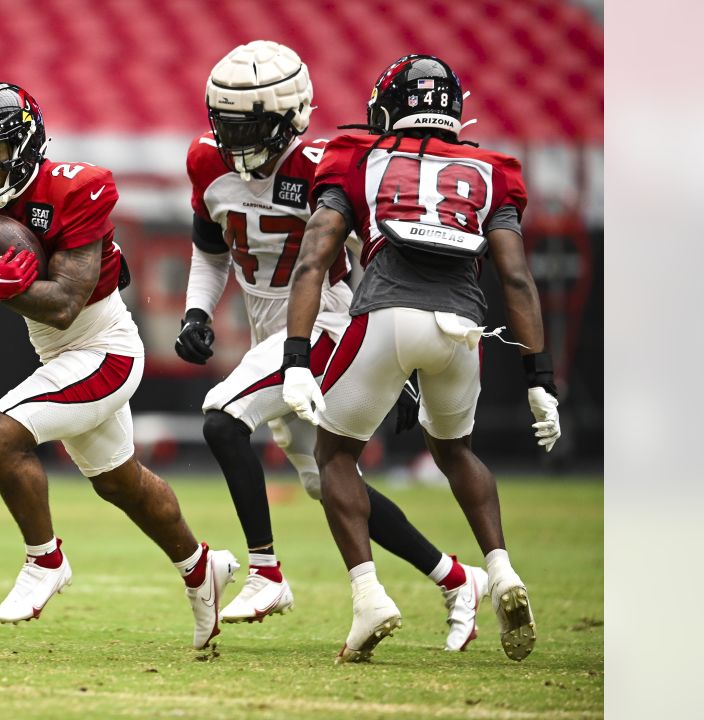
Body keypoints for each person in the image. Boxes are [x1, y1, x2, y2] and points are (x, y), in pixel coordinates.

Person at [178, 40, 490, 652]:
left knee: (222, 419)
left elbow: (374, 261)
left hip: (327, 325)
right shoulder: (205, 162)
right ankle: (458, 579)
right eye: (227, 124)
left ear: (293, 116)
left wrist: (388, 363)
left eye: (253, 126)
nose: (237, 139)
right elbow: (210, 250)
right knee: (327, 481)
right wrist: (195, 309)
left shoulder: (326, 164)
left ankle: (266, 572)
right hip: (272, 332)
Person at [282, 54, 559, 663]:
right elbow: (516, 279)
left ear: (390, 108)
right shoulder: (492, 168)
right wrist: (540, 378)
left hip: (385, 315)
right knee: (456, 451)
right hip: (462, 328)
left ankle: (368, 596)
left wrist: (297, 356)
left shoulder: (357, 155)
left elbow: (313, 258)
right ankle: (502, 570)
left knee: (333, 457)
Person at [0, 82, 238, 650]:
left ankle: (45, 560)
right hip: (56, 352)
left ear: (25, 147)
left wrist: (5, 286)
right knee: (123, 485)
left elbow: (64, 302)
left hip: (104, 348)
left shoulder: (80, 187)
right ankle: (202, 567)